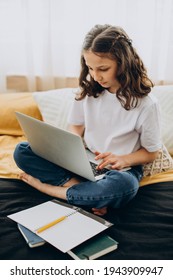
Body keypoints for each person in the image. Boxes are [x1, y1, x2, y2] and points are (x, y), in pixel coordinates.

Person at [14, 24, 163, 216]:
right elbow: (75, 126)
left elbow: (151, 153)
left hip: (120, 170)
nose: (95, 75)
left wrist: (123, 159)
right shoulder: (87, 92)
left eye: (103, 68)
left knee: (124, 187)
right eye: (90, 67)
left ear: (123, 63)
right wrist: (71, 146)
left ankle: (48, 189)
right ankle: (82, 189)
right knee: (22, 151)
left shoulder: (146, 104)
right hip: (84, 160)